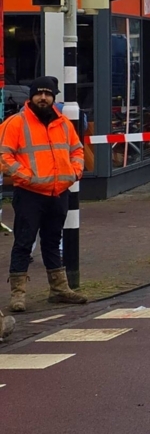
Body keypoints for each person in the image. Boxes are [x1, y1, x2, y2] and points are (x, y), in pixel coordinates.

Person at [0, 76, 88, 312]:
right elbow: (3, 156)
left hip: (58, 192)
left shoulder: (63, 124)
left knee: (52, 241)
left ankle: (59, 290)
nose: (43, 97)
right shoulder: (15, 123)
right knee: (23, 243)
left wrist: (74, 173)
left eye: (48, 94)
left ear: (54, 97)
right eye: (39, 93)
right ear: (31, 96)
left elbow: (77, 150)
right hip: (29, 194)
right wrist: (27, 177)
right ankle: (17, 296)